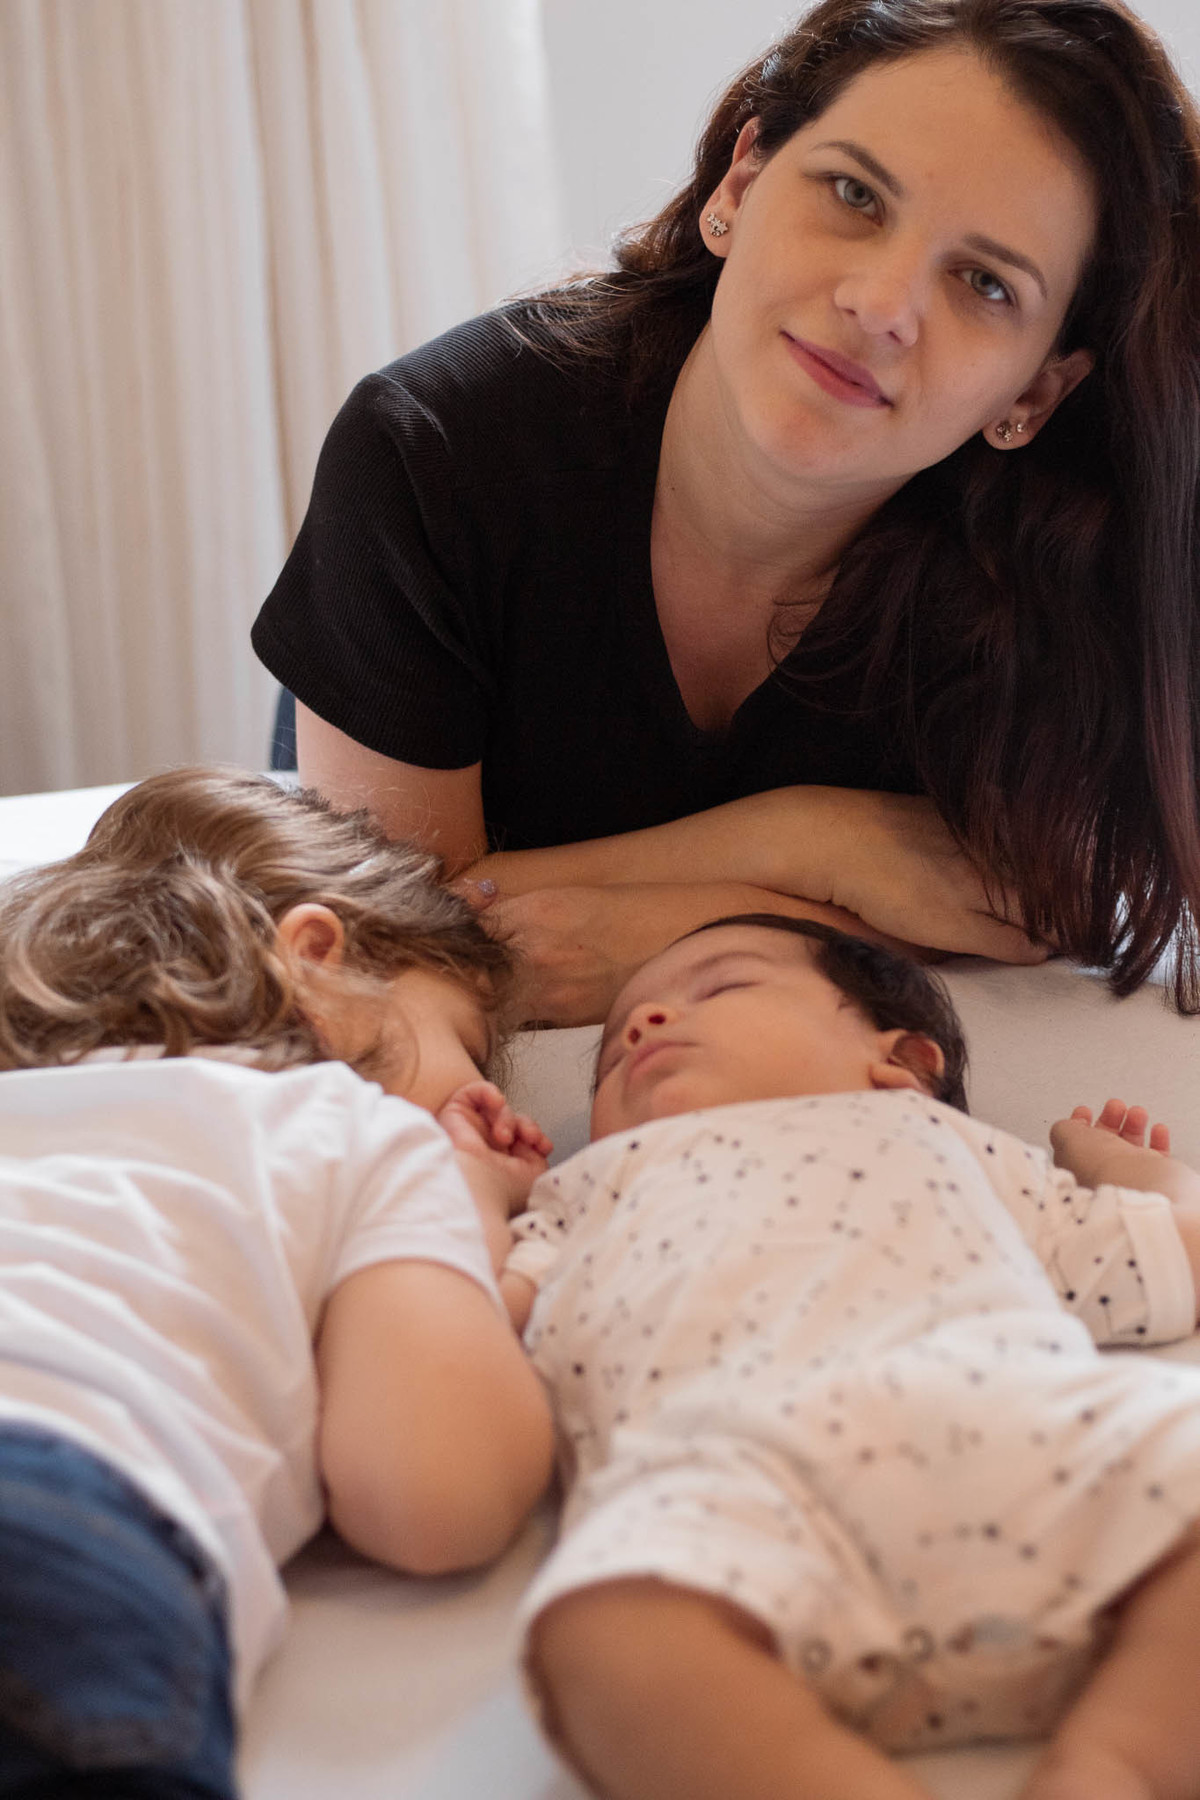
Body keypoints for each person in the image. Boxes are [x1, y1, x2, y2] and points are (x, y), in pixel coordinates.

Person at [252, 0, 1200, 1026]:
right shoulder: (432, 450)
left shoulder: (1043, 554)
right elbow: (376, 937)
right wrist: (806, 849)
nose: (882, 304)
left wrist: (644, 929)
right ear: (739, 185)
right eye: (854, 193)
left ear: (1034, 395)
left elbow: (1040, 905)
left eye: (984, 282)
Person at [464, 914, 1200, 1800]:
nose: (639, 1027)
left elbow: (1177, 1250)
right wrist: (474, 1190)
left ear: (902, 1064)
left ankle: (1113, 1765)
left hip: (1008, 1419)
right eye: (613, 1048)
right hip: (737, 1479)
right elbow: (473, 1335)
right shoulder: (583, 1192)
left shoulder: (956, 1149)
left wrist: (1113, 1163)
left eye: (721, 987)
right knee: (605, 1631)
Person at [0, 767, 554, 1799]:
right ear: (316, 961)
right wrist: (467, 1203)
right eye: (467, 1050)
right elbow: (441, 1493)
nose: (480, 1098)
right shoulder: (353, 1131)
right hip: (46, 1510)